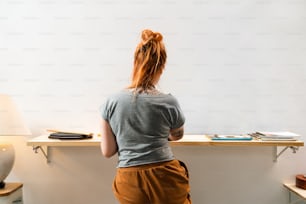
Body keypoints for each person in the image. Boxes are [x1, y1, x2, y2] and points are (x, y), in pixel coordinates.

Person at [99, 29, 191, 204]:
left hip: (129, 180)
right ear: (162, 66)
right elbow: (176, 136)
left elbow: (108, 151)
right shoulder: (169, 101)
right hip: (166, 176)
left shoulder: (111, 102)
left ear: (135, 62)